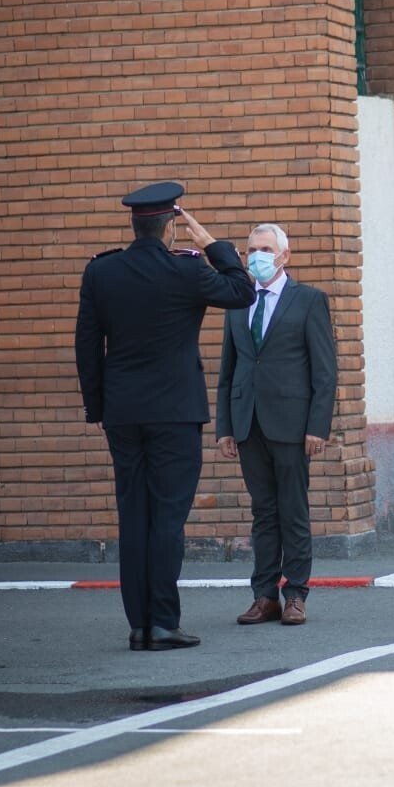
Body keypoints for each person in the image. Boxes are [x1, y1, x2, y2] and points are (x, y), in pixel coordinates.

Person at [75, 181, 256, 651]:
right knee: (168, 518)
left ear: (135, 225)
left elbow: (87, 345)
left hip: (123, 413)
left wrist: (97, 408)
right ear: (170, 227)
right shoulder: (188, 270)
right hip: (175, 414)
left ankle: (139, 626)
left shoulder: (101, 272)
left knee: (134, 516)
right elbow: (242, 291)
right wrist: (212, 243)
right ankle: (163, 623)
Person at [216, 223, 337, 628]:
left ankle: (296, 594)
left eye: (266, 249)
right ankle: (264, 595)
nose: (258, 257)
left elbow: (324, 371)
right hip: (248, 422)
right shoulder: (238, 302)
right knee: (263, 512)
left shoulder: (309, 301)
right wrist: (225, 426)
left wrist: (317, 426)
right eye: (252, 250)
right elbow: (229, 370)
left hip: (292, 424)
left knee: (292, 510)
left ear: (285, 256)